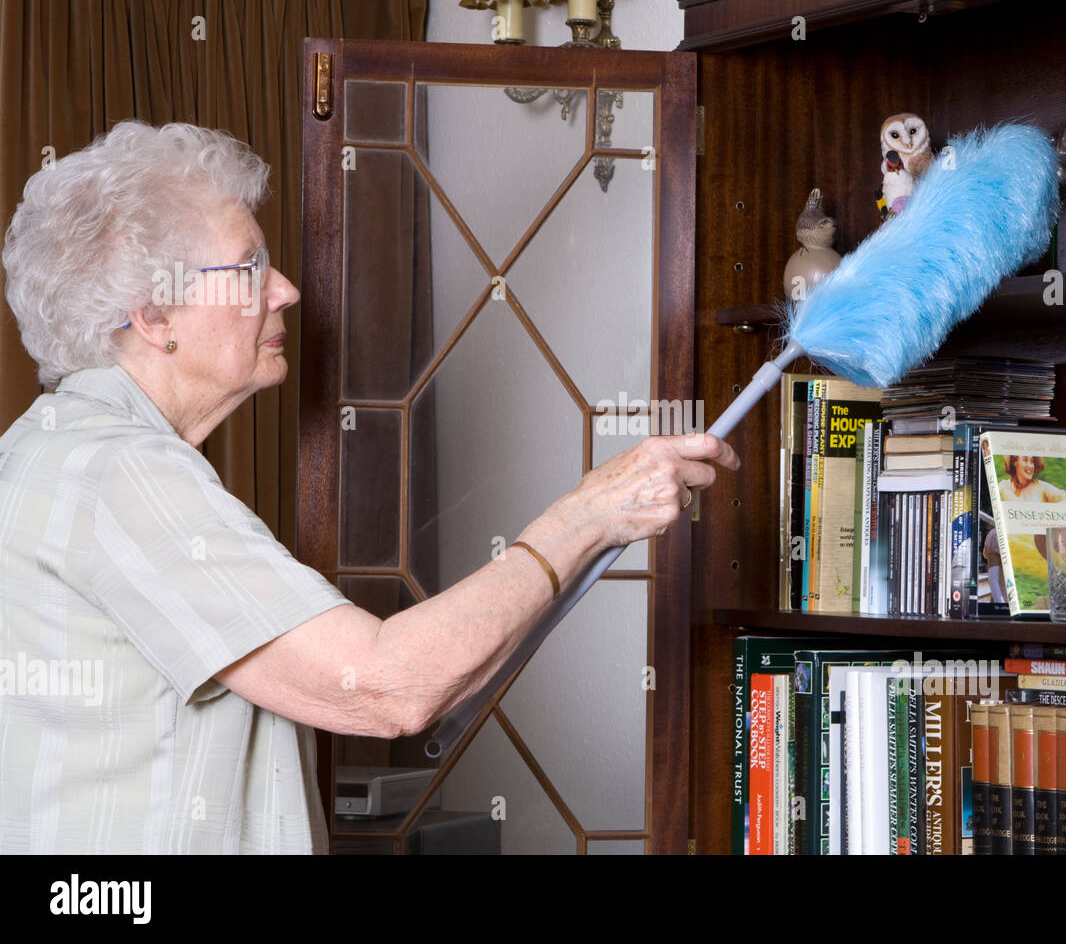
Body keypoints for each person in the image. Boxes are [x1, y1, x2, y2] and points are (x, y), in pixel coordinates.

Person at [0, 121, 738, 853]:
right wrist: (590, 516)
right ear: (153, 313)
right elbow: (386, 685)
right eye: (249, 267)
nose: (285, 290)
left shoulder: (46, 448)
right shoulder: (126, 477)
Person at [998, 454, 1066, 504]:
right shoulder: (1004, 486)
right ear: (1014, 462)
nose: (1030, 466)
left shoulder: (1041, 487)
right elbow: (1018, 507)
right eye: (1025, 460)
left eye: (1032, 461)